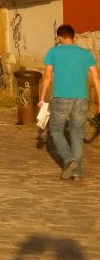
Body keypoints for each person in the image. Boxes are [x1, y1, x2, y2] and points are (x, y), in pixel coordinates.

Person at [41, 24, 100, 181]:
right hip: (82, 99)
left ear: (60, 38)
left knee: (55, 130)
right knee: (77, 134)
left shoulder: (53, 52)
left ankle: (68, 160)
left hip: (61, 98)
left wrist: (42, 97)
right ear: (73, 37)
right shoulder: (86, 54)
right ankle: (77, 173)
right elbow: (96, 78)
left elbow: (47, 76)